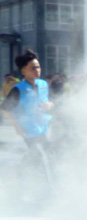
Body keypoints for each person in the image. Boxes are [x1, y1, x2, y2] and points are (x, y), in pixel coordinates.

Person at [1, 49, 54, 184]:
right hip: (28, 130)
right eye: (33, 68)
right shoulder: (18, 89)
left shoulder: (43, 84)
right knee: (41, 156)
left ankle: (18, 176)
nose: (37, 70)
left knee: (41, 155)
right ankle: (51, 189)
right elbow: (5, 109)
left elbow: (49, 101)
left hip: (43, 127)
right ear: (23, 71)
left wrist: (49, 105)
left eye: (38, 67)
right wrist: (17, 126)